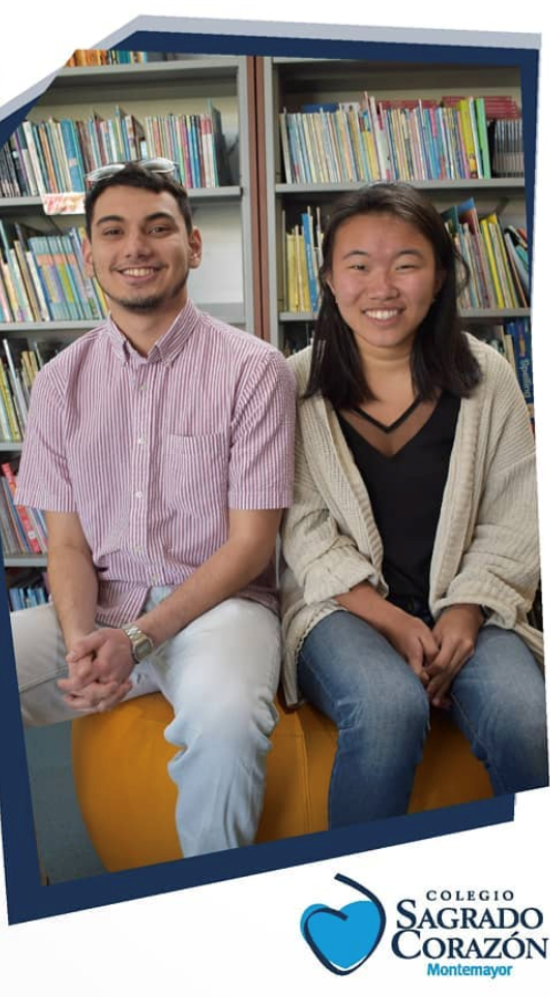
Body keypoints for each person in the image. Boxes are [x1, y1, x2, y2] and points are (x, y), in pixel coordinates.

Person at [11, 159, 296, 859]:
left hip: (219, 609)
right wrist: (85, 643)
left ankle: (204, 910)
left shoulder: (253, 369)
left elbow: (251, 545)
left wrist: (136, 640)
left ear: (193, 246)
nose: (134, 247)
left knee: (228, 721)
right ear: (89, 255)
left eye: (158, 228)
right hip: (99, 607)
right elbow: (68, 546)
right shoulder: (57, 383)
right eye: (113, 231)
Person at [280, 182, 548, 830]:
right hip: (339, 608)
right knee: (388, 706)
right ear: (328, 278)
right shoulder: (292, 384)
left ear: (439, 276)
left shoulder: (490, 378)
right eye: (360, 265)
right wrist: (392, 622)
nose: (383, 287)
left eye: (406, 263)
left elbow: (519, 514)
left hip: (470, 601)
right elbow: (302, 525)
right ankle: (355, 896)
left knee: (526, 718)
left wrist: (462, 610)